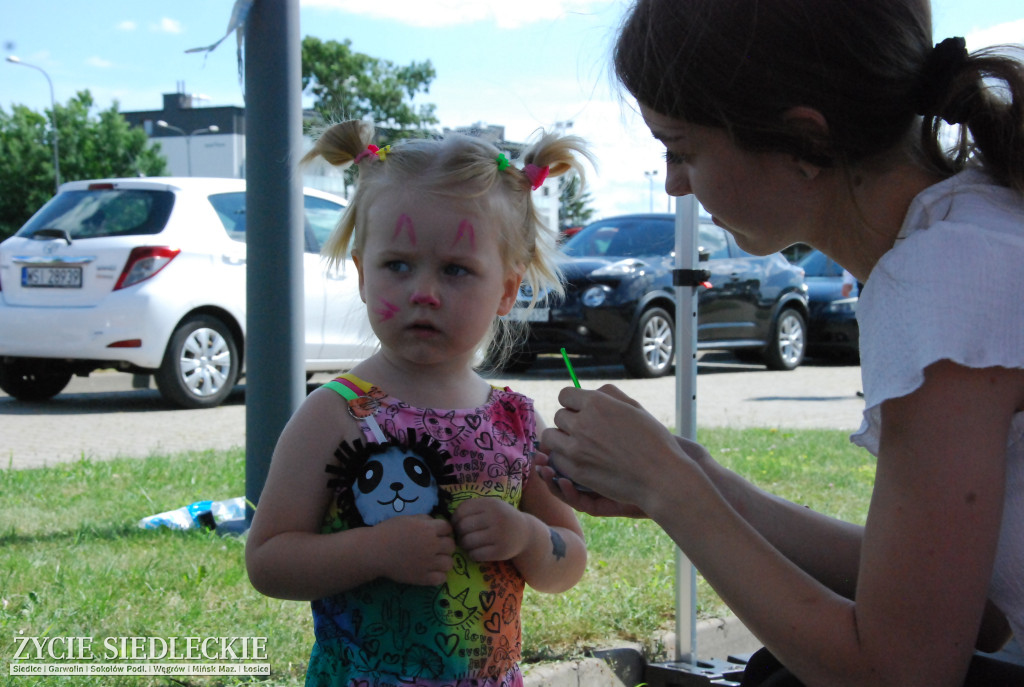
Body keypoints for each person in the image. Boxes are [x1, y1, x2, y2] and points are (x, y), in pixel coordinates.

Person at [536, 1, 1024, 685]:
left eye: (681, 149)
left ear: (805, 143)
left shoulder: (941, 280)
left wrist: (669, 485)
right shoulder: (970, 233)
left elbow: (898, 670)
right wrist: (700, 477)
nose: (673, 182)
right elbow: (970, 612)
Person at [246, 120, 592, 687]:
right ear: (362, 273)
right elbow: (269, 561)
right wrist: (374, 550)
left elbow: (568, 560)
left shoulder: (513, 422)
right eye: (397, 265)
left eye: (456, 270)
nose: (424, 292)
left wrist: (525, 537)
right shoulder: (337, 413)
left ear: (507, 289)